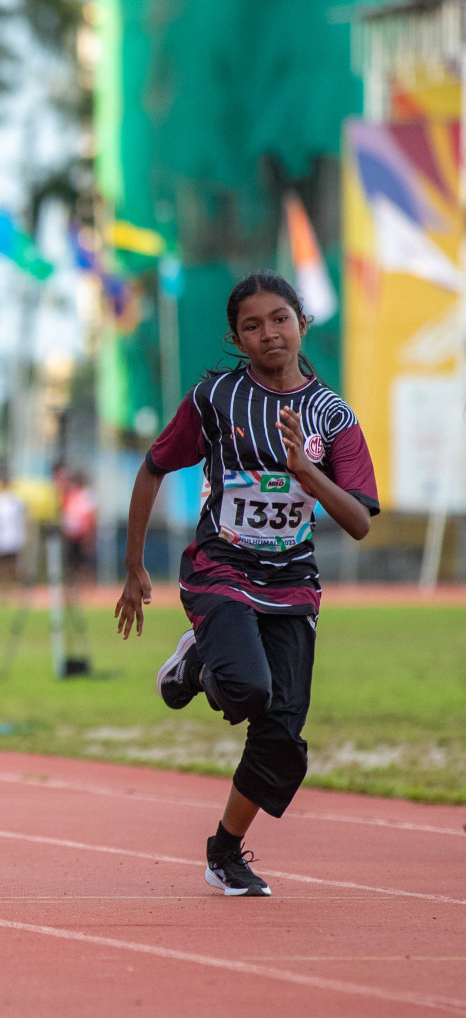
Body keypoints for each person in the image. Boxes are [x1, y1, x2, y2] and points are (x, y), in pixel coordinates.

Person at [115, 272, 378, 897]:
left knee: (283, 735)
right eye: (253, 326)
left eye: (280, 319)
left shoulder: (333, 417)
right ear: (237, 337)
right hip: (221, 567)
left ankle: (224, 852)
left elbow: (360, 522)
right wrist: (133, 567)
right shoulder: (217, 399)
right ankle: (204, 660)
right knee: (249, 688)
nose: (270, 334)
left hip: (293, 581)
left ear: (302, 324)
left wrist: (308, 475)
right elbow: (153, 466)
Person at [0, 472, 26, 603]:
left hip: (13, 539)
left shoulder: (16, 501)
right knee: (2, 567)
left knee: (14, 567)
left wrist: (21, 538)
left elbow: (20, 521)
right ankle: (4, 593)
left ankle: (16, 592)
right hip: (0, 539)